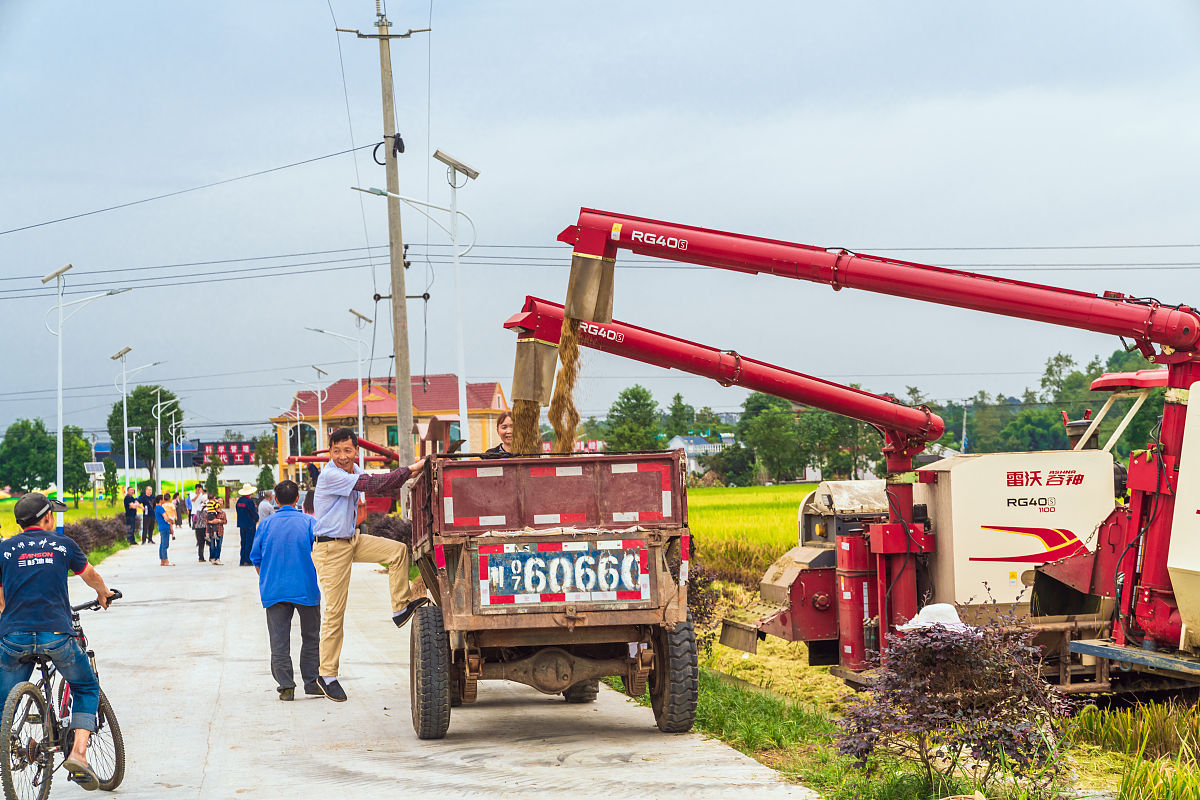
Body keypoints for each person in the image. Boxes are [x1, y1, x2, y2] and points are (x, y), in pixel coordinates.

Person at [0, 493, 114, 791]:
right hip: (56, 634)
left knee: (3, 699)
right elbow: (90, 575)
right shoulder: (63, 545)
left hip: (14, 636)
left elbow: (0, 598)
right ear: (48, 517)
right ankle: (78, 754)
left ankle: (7, 743)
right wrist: (103, 593)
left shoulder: (5, 549)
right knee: (86, 686)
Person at [311, 427, 428, 702]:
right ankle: (327, 676)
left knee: (398, 552)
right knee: (335, 613)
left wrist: (412, 474)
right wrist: (413, 468)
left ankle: (400, 607)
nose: (342, 456)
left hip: (351, 540)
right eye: (336, 451)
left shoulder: (353, 470)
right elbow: (375, 484)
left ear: (356, 451)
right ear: (330, 452)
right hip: (330, 548)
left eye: (347, 450)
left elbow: (381, 482)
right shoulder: (331, 475)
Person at [249, 480, 321, 701]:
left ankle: (286, 686)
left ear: (276, 500)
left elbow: (256, 558)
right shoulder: (309, 522)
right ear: (297, 498)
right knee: (311, 637)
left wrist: (269, 578)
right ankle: (312, 682)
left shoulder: (265, 525)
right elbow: (321, 554)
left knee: (279, 640)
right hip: (306, 587)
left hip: (274, 590)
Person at [235, 484, 259, 567]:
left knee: (243, 542)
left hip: (242, 524)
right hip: (250, 524)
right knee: (249, 542)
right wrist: (256, 518)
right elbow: (253, 512)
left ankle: (242, 560)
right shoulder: (249, 501)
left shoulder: (239, 501)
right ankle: (248, 560)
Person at [206, 492, 227, 565]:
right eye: (219, 501)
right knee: (212, 545)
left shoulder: (223, 513)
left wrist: (219, 521)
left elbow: (225, 521)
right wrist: (212, 521)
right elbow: (206, 519)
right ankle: (212, 558)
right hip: (212, 531)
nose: (220, 502)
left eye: (222, 501)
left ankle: (217, 558)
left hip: (220, 531)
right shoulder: (210, 511)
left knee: (219, 545)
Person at [155, 495, 174, 566]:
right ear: (160, 500)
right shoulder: (160, 508)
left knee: (162, 544)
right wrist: (171, 521)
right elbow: (166, 517)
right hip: (165, 527)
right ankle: (166, 561)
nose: (164, 500)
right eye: (163, 499)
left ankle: (162, 560)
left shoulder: (156, 508)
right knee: (165, 545)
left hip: (161, 527)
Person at [192, 487, 208, 562]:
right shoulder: (207, 509)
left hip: (198, 527)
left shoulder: (198, 508)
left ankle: (201, 557)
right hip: (205, 527)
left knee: (201, 543)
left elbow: (194, 519)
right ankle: (212, 556)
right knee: (209, 542)